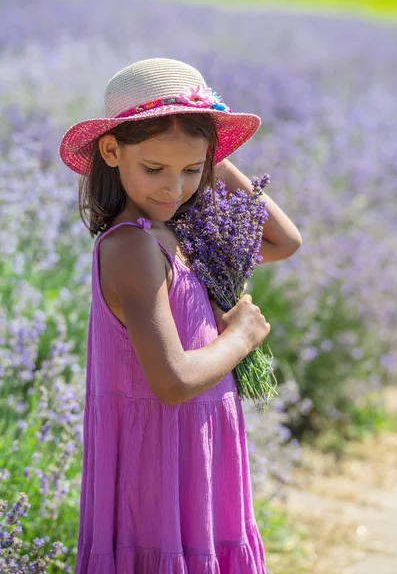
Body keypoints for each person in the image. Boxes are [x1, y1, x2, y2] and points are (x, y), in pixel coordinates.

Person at [59, 57, 301, 573]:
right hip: (157, 464)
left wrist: (208, 149)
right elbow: (170, 382)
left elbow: (285, 240)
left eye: (192, 171)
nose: (174, 189)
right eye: (154, 169)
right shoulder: (132, 248)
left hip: (200, 448)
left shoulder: (186, 235)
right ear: (110, 151)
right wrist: (242, 337)